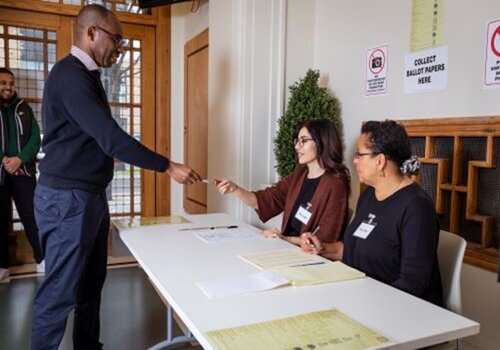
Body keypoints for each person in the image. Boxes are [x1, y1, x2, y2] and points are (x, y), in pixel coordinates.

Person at [30, 5, 202, 350]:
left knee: (90, 286)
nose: (119, 48)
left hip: (88, 197)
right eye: (116, 39)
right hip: (67, 200)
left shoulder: (87, 76)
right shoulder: (71, 76)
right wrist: (168, 166)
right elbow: (112, 140)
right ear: (91, 32)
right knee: (60, 293)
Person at [301, 120, 442, 306]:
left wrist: (364, 303)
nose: (354, 161)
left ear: (380, 161)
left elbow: (412, 283)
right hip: (361, 296)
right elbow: (354, 251)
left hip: (402, 309)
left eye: (359, 155)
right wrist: (323, 248)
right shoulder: (368, 195)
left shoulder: (416, 207)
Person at [216, 119, 350, 246]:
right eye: (297, 141)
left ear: (322, 142)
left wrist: (284, 239)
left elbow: (324, 241)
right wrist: (234, 189)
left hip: (310, 258)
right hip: (287, 248)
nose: (297, 146)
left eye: (303, 141)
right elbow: (266, 200)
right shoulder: (299, 175)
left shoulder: (335, 185)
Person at [0, 67, 44, 283]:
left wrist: (19, 159)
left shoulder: (23, 108)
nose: (8, 87)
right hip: (1, 173)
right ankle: (2, 267)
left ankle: (42, 259)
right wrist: (4, 160)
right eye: (3, 83)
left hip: (23, 172)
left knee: (32, 216)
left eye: (10, 83)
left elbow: (36, 139)